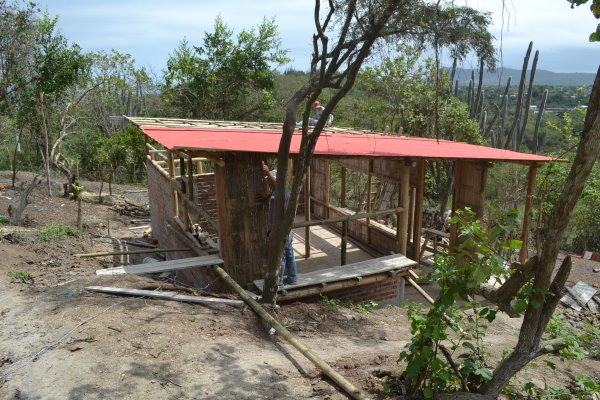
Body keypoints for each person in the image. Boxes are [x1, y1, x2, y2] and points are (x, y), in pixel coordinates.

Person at [260, 162, 298, 287]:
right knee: (288, 253)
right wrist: (266, 196)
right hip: (285, 229)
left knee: (280, 256)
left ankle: (280, 283)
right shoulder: (276, 193)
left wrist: (266, 171)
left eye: (270, 181)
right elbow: (274, 195)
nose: (269, 183)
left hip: (282, 229)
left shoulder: (282, 190)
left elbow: (277, 186)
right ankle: (292, 279)